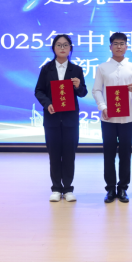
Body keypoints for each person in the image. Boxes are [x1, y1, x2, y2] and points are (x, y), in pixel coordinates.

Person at [34, 34, 88, 202]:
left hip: (70, 119)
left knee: (69, 155)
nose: (62, 48)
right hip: (52, 119)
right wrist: (47, 104)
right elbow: (39, 91)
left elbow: (83, 92)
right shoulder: (46, 69)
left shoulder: (76, 69)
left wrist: (78, 86)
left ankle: (68, 188)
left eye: (65, 45)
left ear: (70, 48)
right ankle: (56, 188)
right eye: (59, 45)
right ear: (54, 48)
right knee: (55, 155)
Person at [92, 32, 132, 203]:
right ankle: (110, 189)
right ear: (110, 47)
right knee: (109, 154)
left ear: (126, 46)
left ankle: (123, 188)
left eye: (122, 43)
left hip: (127, 118)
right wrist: (103, 107)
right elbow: (96, 90)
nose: (119, 47)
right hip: (108, 118)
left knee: (125, 154)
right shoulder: (102, 67)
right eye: (115, 43)